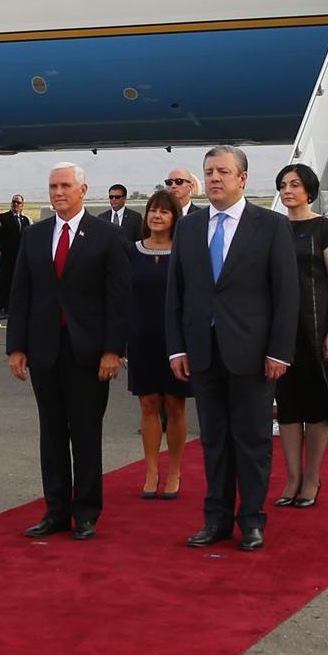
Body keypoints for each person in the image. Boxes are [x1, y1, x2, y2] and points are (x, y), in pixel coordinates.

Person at [167, 145, 299, 552]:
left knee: (252, 441)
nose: (214, 178)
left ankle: (252, 520)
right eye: (208, 172)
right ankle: (217, 520)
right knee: (214, 441)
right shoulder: (189, 228)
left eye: (223, 172)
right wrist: (177, 348)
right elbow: (176, 292)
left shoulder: (271, 226)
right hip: (203, 353)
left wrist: (279, 351)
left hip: (253, 354)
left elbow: (286, 294)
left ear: (242, 178)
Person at [6, 163, 130, 540]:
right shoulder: (34, 235)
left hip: (88, 353)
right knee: (52, 433)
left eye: (65, 186)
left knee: (86, 433)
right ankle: (56, 511)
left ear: (83, 190)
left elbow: (119, 300)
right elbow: (21, 294)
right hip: (45, 350)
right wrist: (16, 347)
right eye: (53, 186)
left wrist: (113, 350)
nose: (58, 192)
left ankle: (86, 512)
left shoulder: (107, 236)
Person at [272, 164, 328, 504]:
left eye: (295, 184)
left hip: (317, 328)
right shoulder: (273, 228)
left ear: (309, 190)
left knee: (317, 407)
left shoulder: (324, 229)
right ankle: (292, 479)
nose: (287, 190)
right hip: (281, 331)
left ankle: (312, 478)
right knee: (288, 407)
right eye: (282, 185)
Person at [125, 189, 190, 498]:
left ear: (175, 217)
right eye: (153, 210)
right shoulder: (130, 252)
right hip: (141, 339)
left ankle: (174, 470)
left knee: (175, 405)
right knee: (148, 404)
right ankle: (151, 470)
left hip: (176, 341)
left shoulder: (185, 252)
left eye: (164, 211)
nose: (157, 215)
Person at [0, 194, 30, 314]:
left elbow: (28, 237)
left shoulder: (25, 220)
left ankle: (10, 304)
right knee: (1, 280)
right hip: (3, 256)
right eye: (14, 202)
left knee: (14, 280)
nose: (16, 204)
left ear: (22, 205)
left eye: (18, 203)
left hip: (17, 256)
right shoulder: (3, 217)